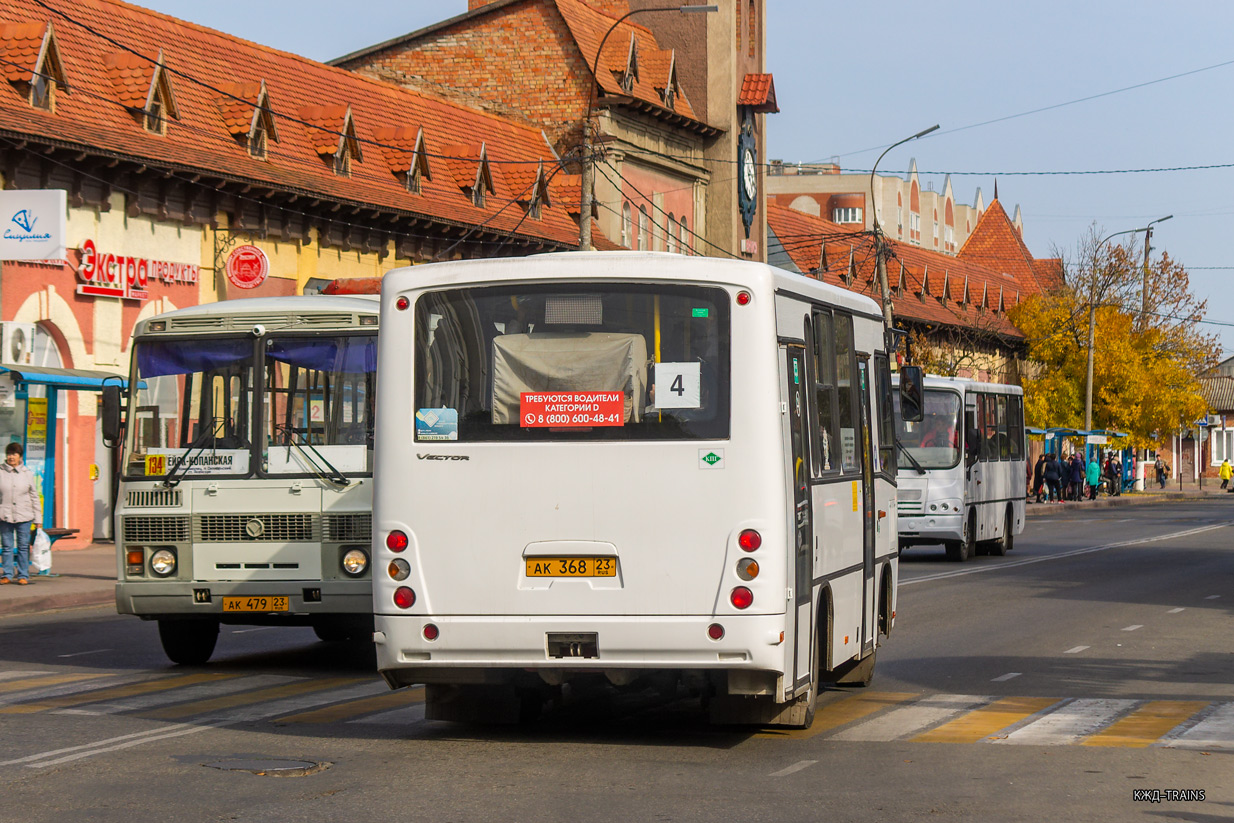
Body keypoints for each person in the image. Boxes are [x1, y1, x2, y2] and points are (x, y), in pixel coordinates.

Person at [0, 442, 42, 586]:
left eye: (14, 454)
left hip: (24, 515)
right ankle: (7, 574)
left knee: (23, 546)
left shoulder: (27, 473)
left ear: (20, 456)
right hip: (5, 515)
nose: (11, 457)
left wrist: (38, 518)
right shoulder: (0, 471)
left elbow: (34, 496)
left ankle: (23, 575)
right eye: (9, 454)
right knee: (7, 546)